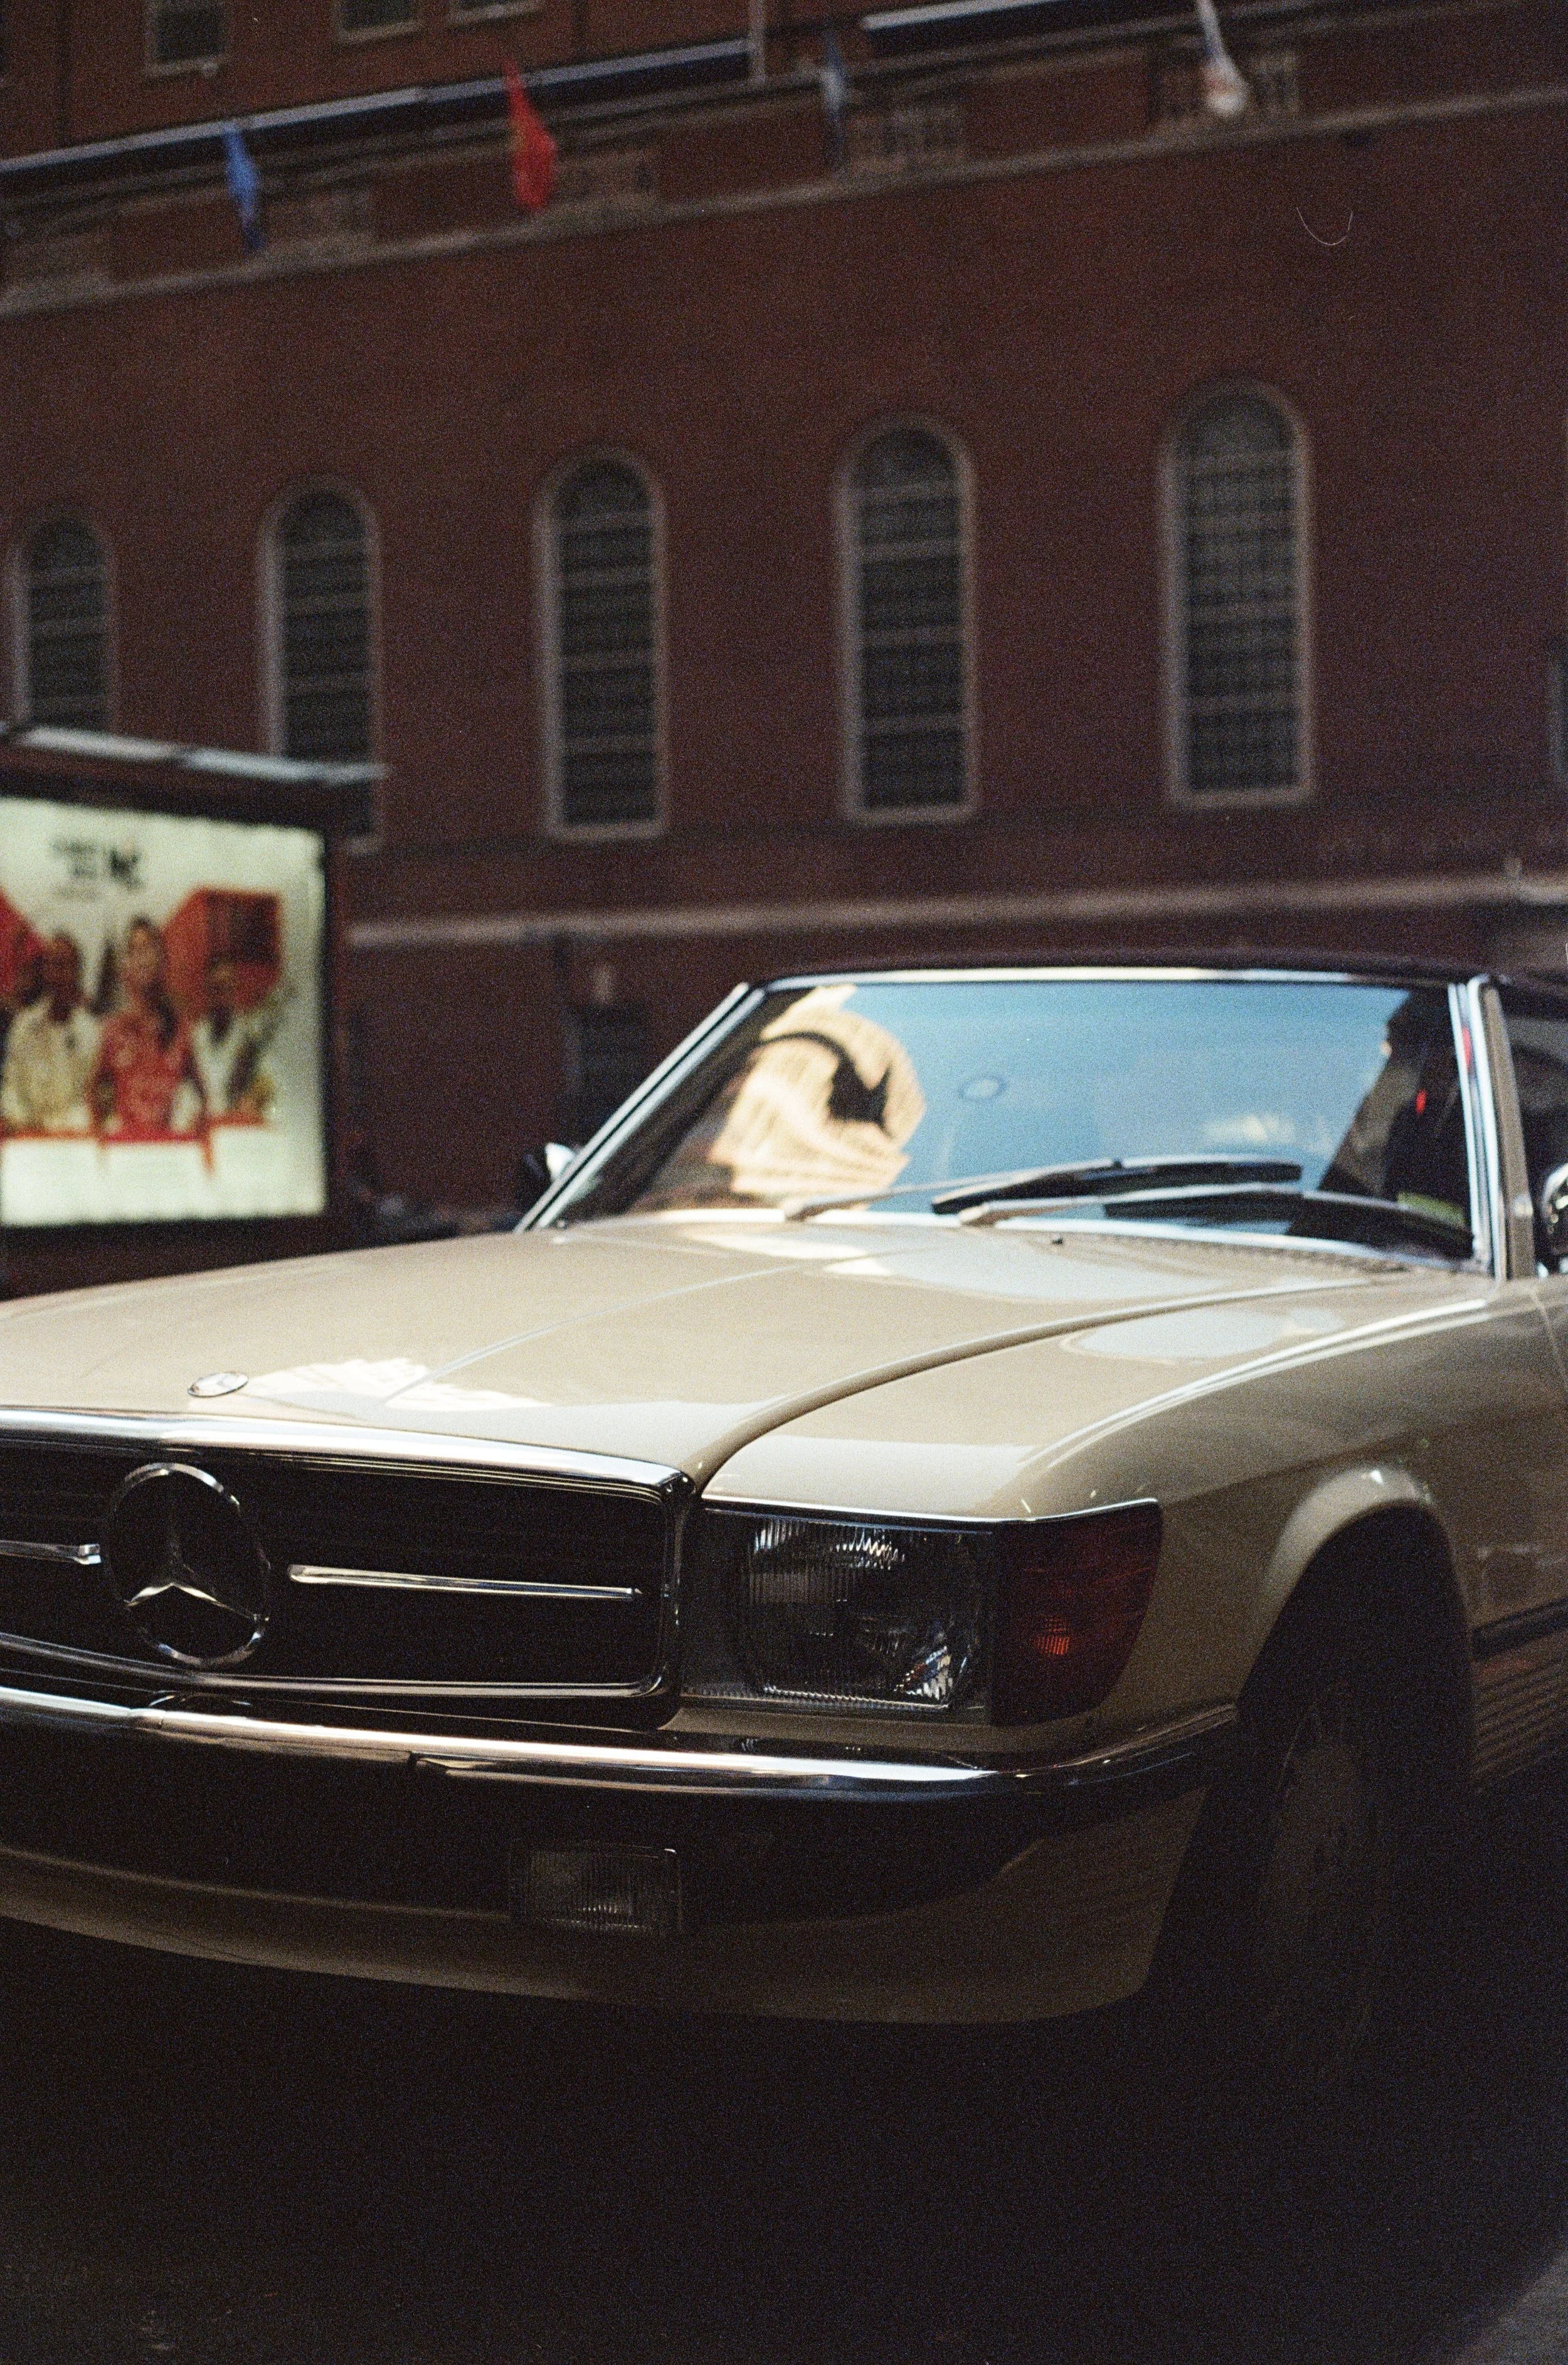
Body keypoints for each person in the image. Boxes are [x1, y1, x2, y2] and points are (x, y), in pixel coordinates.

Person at [90, 918, 201, 1138]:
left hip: (171, 1150)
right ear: (125, 967)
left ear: (163, 961)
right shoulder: (112, 1031)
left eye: (148, 948)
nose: (142, 959)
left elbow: (203, 1096)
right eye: (134, 950)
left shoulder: (182, 1030)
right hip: (126, 1149)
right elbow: (93, 1096)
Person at [0, 935, 100, 1134]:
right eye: (52, 965)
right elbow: (11, 1089)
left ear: (77, 973)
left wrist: (54, 1130)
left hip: (73, 1137)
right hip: (26, 1134)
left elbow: (90, 1100)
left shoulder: (91, 1032)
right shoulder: (24, 1026)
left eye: (65, 966)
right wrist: (25, 1125)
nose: (58, 975)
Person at [189, 952, 278, 1120]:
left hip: (239, 1123)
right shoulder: (197, 1035)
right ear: (208, 992)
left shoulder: (249, 1035)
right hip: (206, 1122)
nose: (222, 997)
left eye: (227, 988)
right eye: (217, 989)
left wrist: (252, 1099)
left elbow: (268, 1083)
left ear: (234, 990)